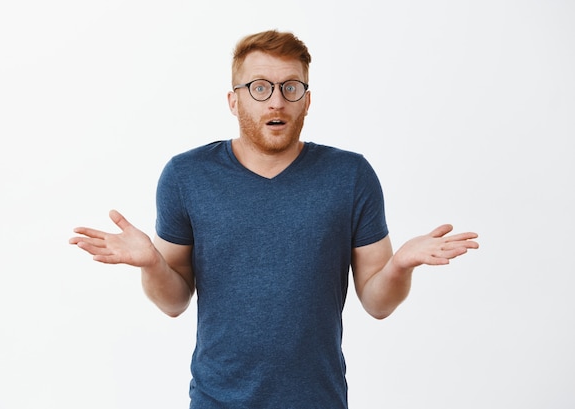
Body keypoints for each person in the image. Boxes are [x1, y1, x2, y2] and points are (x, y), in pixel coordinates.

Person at [69, 30, 479, 408]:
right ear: (234, 100)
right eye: (259, 88)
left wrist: (401, 265)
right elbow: (173, 301)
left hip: (319, 399)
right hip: (217, 399)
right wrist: (152, 264)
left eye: (291, 87)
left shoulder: (350, 176)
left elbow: (377, 303)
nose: (277, 101)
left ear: (307, 99)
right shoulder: (186, 176)